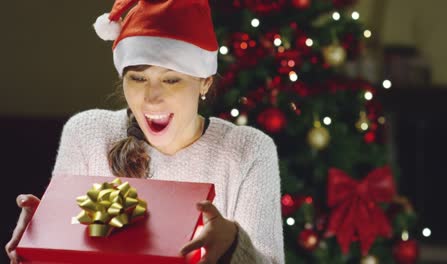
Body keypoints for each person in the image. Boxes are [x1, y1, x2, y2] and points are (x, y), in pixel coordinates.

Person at [5, 1, 284, 263]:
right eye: (138, 78)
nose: (152, 98)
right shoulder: (86, 133)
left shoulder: (248, 150)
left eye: (171, 80)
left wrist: (234, 245)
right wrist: (40, 244)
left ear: (204, 83)